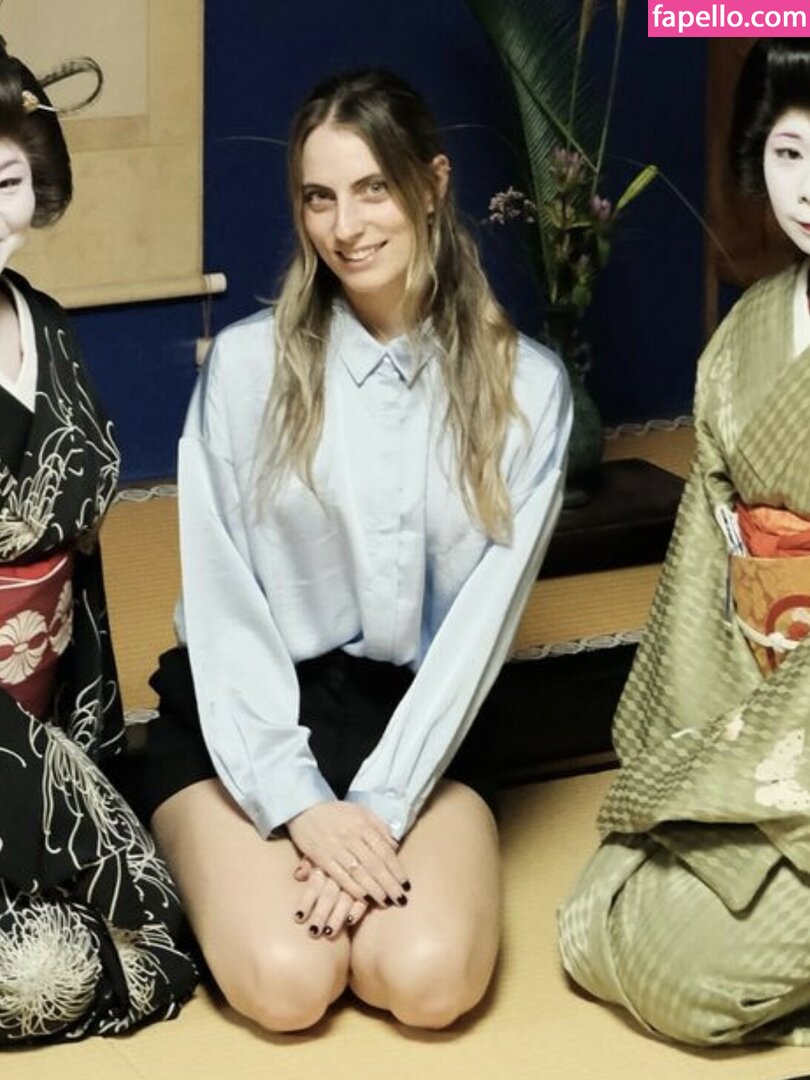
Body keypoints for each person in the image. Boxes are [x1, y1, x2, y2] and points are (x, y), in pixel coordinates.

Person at [120, 68, 571, 1033]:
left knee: (428, 980)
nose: (346, 226)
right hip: (248, 710)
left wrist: (379, 804)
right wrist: (298, 803)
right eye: (319, 197)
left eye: (373, 189)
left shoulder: (528, 390)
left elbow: (477, 638)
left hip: (421, 721)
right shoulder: (245, 368)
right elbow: (224, 607)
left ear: (432, 185)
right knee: (287, 982)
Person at [558, 38, 810, 1047]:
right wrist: (708, 753)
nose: (808, 187)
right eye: (789, 154)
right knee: (599, 909)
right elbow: (710, 568)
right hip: (758, 703)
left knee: (683, 976)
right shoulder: (749, 333)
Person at [0, 40, 197, 1044]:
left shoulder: (47, 325)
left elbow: (82, 568)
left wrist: (86, 758)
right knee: (49, 969)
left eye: (3, 183)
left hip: (49, 706)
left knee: (145, 936)